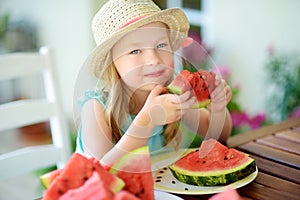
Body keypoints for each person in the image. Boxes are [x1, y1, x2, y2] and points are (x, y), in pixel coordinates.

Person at [75, 0, 232, 166]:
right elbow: (102, 169)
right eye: (135, 51)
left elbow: (219, 137)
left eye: (161, 45)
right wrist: (146, 121)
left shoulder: (172, 96)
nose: (153, 59)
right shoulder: (95, 107)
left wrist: (218, 109)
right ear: (112, 62)